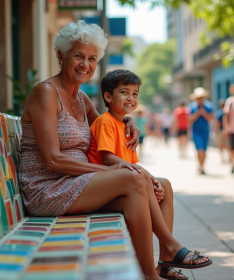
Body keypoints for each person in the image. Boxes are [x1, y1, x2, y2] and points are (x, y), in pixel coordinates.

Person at [19, 21, 211, 280]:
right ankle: (165, 256)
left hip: (78, 183)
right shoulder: (46, 92)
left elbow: (108, 121)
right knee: (133, 177)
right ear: (61, 56)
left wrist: (130, 120)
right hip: (48, 188)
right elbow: (53, 160)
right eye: (78, 56)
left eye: (92, 58)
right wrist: (108, 168)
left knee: (161, 186)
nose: (85, 64)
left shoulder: (81, 98)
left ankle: (163, 263)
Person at [88, 69, 190, 278]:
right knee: (145, 179)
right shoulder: (105, 121)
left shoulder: (127, 126)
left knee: (165, 185)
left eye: (135, 94)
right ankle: (171, 245)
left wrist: (153, 181)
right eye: (124, 92)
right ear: (108, 96)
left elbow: (132, 165)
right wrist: (147, 178)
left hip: (122, 183)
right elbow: (108, 159)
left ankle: (165, 261)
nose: (131, 98)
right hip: (102, 187)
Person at [188, 87, 213, 174]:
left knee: (204, 150)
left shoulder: (209, 106)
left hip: (205, 131)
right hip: (196, 132)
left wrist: (204, 113)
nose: (200, 99)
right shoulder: (192, 106)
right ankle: (200, 166)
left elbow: (211, 118)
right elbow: (189, 119)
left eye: (201, 97)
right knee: (200, 149)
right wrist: (198, 113)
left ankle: (202, 166)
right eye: (198, 98)